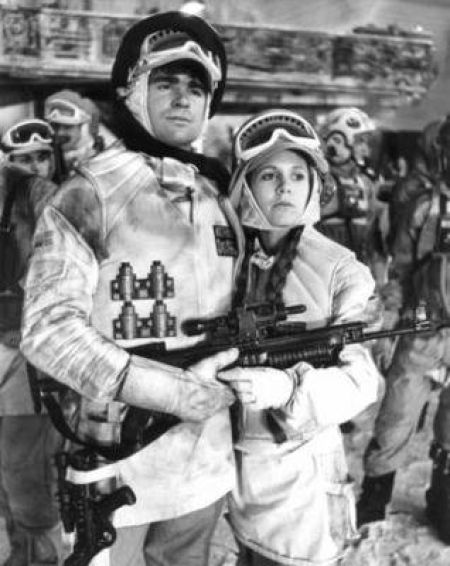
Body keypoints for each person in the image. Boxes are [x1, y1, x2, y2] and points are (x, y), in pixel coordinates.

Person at [20, 11, 243, 566]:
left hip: (204, 458)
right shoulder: (89, 193)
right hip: (114, 461)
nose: (182, 98)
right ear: (131, 91)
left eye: (197, 87)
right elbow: (47, 331)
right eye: (165, 82)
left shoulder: (219, 195)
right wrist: (167, 392)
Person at [217, 109, 382, 565]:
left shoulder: (342, 271)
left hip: (302, 483)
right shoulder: (224, 259)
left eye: (296, 175)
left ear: (314, 185)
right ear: (246, 186)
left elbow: (362, 383)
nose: (285, 187)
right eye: (269, 175)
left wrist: (287, 388)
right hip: (235, 473)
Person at [356, 114, 450, 541]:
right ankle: (374, 500)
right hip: (423, 326)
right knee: (398, 414)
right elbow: (402, 267)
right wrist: (393, 320)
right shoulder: (425, 205)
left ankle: (443, 499)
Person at [0, 119, 63, 565]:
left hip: (29, 352)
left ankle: (40, 559)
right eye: (24, 158)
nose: (36, 165)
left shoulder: (48, 198)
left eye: (44, 156)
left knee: (28, 471)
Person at [317, 107, 388, 289]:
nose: (365, 150)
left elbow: (373, 237)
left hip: (358, 277)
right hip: (322, 279)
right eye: (360, 142)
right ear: (336, 142)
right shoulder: (315, 181)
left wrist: (379, 278)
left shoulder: (365, 183)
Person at [44, 89, 104, 173]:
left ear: (84, 129)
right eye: (55, 126)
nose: (59, 133)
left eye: (67, 127)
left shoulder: (104, 162)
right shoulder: (47, 162)